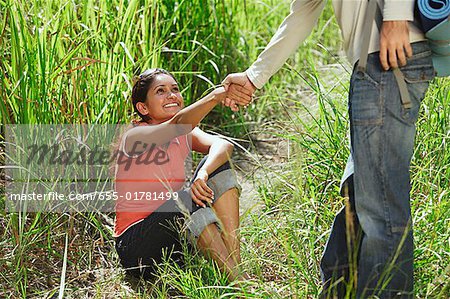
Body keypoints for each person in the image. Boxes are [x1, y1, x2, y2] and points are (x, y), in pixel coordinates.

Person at [222, 0, 435, 298]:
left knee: (382, 209)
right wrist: (254, 77)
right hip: (375, 65)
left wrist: (397, 16)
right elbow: (304, 11)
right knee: (360, 193)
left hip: (386, 59)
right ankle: (338, 290)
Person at [113, 68, 246, 282]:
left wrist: (202, 173)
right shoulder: (134, 136)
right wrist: (216, 95)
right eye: (161, 91)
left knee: (219, 166)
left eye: (175, 89)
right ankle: (242, 284)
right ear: (143, 107)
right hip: (137, 248)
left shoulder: (186, 131)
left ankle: (235, 267)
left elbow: (224, 145)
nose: (171, 95)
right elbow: (177, 124)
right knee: (184, 199)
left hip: (176, 237)